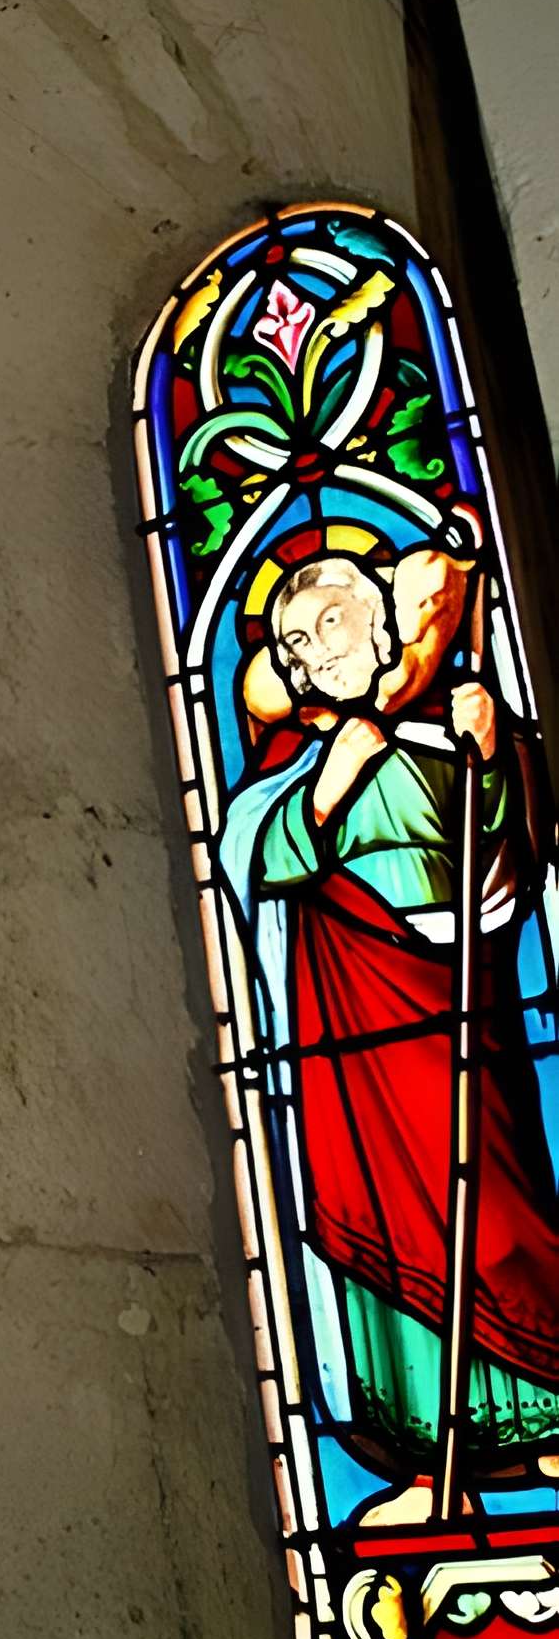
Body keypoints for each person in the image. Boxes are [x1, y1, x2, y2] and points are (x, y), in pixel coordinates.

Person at [221, 548, 559, 1524]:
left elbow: (506, 857)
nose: (308, 649)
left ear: (378, 630)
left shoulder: (434, 736)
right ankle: (424, 1450)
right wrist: (327, 786)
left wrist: (491, 756)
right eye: (292, 640)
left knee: (493, 1218)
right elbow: (251, 854)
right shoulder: (296, 761)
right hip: (354, 1044)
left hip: (460, 1011)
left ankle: (532, 1429)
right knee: (384, 1233)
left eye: (327, 624)